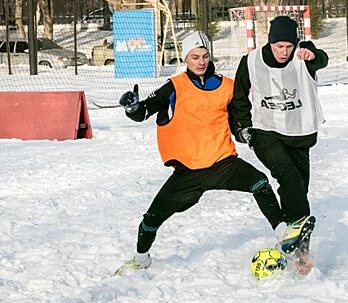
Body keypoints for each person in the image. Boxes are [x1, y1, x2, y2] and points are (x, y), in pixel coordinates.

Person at [116, 31, 308, 275]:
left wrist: (243, 133)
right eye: (195, 56)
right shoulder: (174, 86)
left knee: (260, 183)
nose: (201, 61)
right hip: (188, 171)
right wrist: (132, 107)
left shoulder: (227, 86)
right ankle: (141, 258)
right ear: (185, 59)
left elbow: (239, 120)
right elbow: (144, 111)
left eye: (205, 56)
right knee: (151, 220)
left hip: (222, 164)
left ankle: (283, 234)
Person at [231, 16, 328, 273]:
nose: (284, 52)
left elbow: (321, 59)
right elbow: (239, 96)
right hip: (266, 132)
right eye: (279, 46)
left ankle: (297, 245)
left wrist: (310, 54)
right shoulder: (251, 61)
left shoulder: (303, 54)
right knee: (288, 176)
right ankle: (295, 243)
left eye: (288, 46)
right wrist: (241, 128)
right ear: (270, 42)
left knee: (298, 189)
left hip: (299, 133)